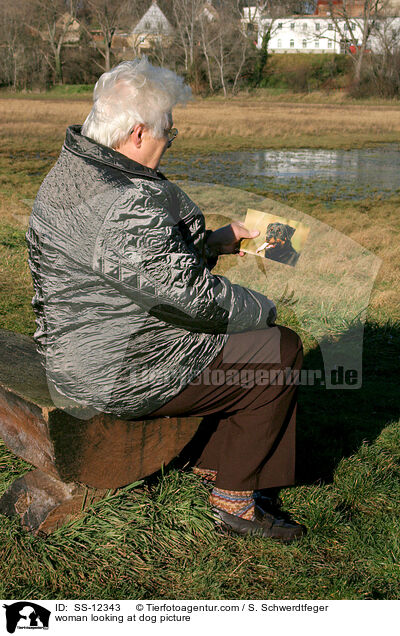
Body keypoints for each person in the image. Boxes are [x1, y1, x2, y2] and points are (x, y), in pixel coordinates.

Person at [26, 58, 305, 542]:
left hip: (76, 351)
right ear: (137, 133)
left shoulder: (75, 169)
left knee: (246, 347)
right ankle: (235, 502)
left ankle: (212, 461)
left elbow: (133, 263)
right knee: (279, 350)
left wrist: (212, 243)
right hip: (115, 371)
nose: (169, 143)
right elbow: (192, 300)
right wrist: (262, 309)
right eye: (167, 135)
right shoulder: (125, 200)